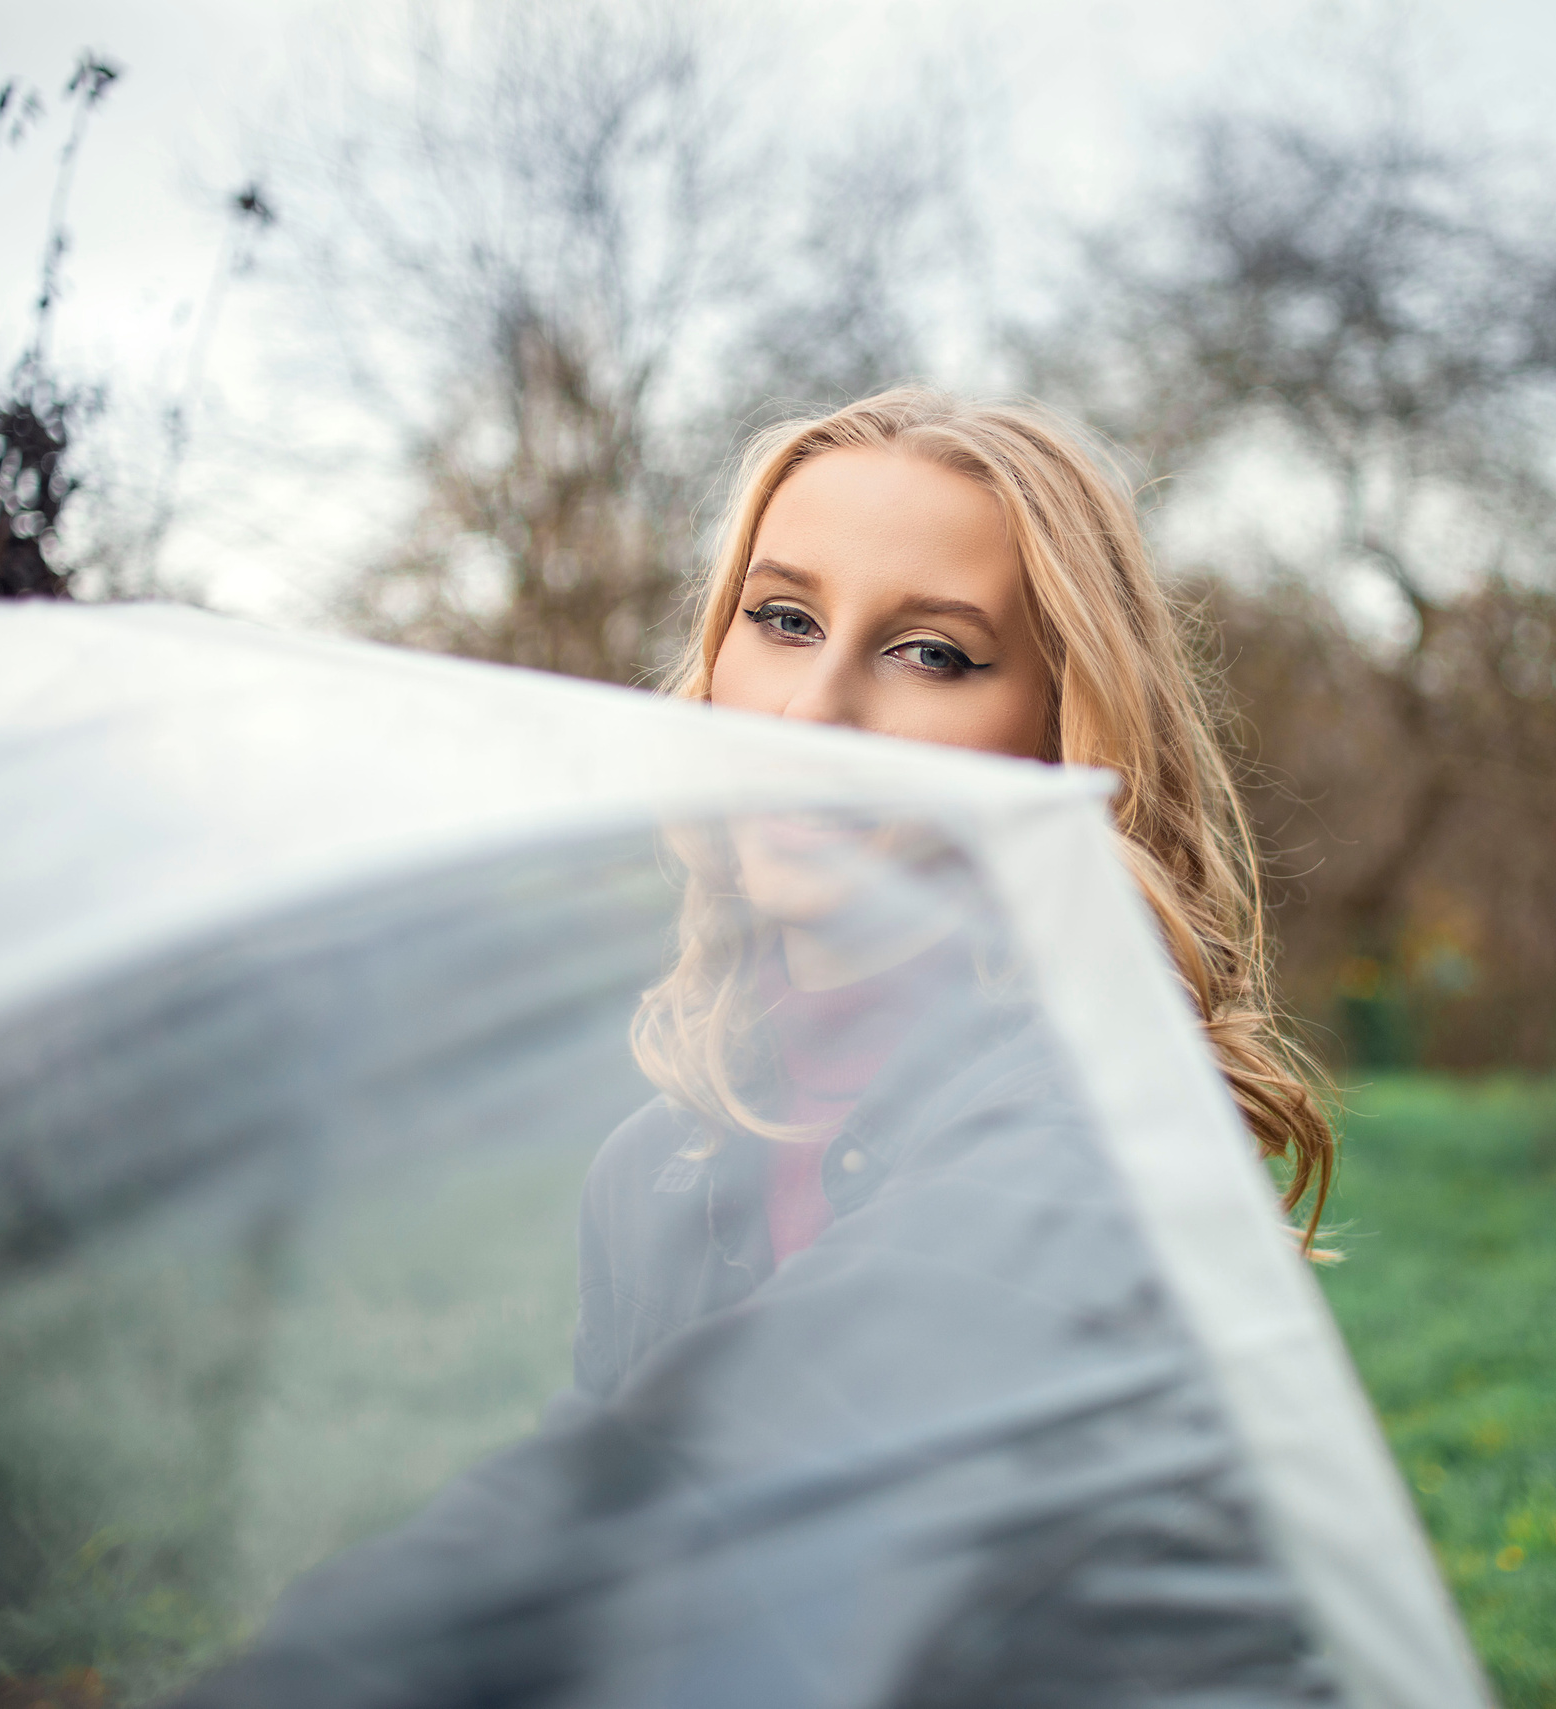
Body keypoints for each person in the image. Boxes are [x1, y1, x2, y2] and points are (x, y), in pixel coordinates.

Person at [172, 389, 1343, 1707]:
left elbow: (632, 1520)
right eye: (783, 620)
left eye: (932, 653)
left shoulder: (1090, 1138)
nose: (812, 713)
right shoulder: (653, 1169)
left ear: (1060, 735)